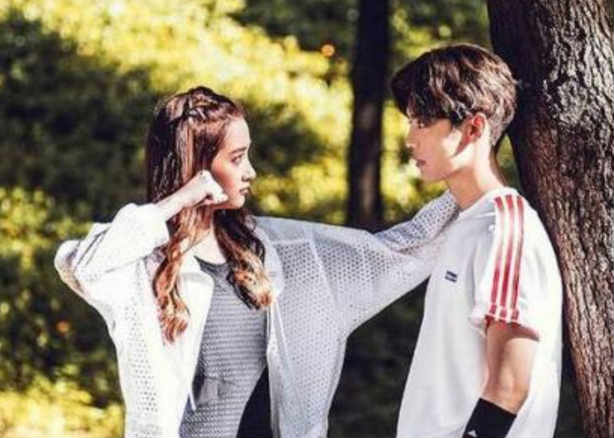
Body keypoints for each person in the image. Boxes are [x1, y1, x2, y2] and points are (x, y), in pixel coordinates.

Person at [54, 86, 458, 438]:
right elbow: (81, 265)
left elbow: (394, 251)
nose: (251, 171)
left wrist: (470, 189)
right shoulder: (146, 263)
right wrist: (177, 201)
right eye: (237, 158)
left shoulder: (271, 250)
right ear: (197, 167)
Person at [390, 44, 563, 438]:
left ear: (474, 128)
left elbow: (510, 385)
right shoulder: (465, 222)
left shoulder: (504, 228)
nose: (410, 138)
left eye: (423, 122)